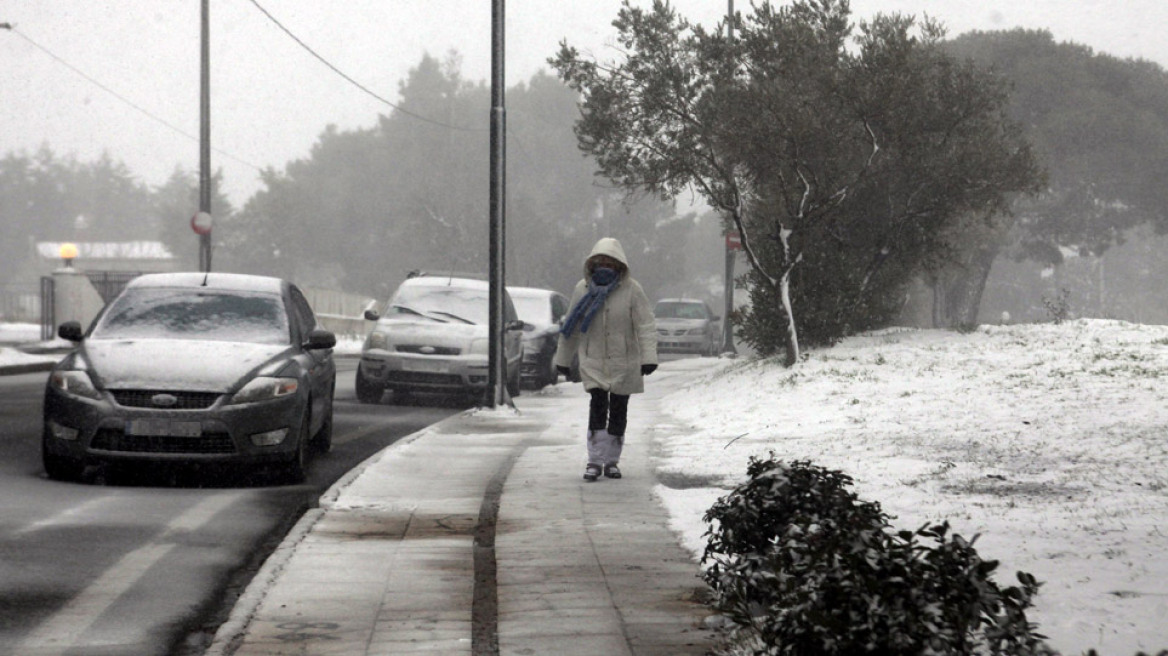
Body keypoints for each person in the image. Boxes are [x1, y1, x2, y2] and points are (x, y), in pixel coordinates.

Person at [554, 237, 658, 481]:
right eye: (600, 260)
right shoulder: (582, 289)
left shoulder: (632, 290)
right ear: (592, 262)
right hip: (593, 359)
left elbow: (645, 325)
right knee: (598, 406)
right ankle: (594, 459)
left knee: (619, 409)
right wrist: (563, 359)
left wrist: (648, 357)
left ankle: (612, 460)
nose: (604, 265)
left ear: (619, 264)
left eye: (610, 261)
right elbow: (571, 325)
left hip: (625, 360)